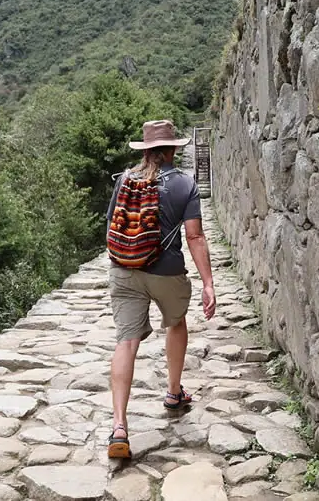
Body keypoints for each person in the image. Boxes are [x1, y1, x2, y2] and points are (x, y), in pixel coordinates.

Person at [105, 120, 216, 459]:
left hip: (125, 269)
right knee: (176, 322)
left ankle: (120, 426)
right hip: (167, 271)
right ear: (172, 150)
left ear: (146, 150)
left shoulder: (125, 179)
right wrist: (208, 283)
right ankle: (172, 392)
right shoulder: (185, 183)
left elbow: (111, 223)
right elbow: (195, 236)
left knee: (126, 341)